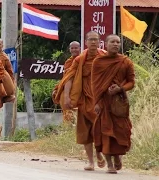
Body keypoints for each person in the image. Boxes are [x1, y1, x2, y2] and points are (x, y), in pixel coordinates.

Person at [55, 31, 106, 171]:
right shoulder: (79, 59)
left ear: (99, 41)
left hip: (99, 100)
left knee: (100, 129)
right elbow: (69, 78)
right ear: (86, 42)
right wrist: (66, 96)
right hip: (84, 99)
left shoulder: (104, 57)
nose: (93, 42)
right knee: (85, 132)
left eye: (96, 39)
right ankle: (90, 162)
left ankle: (99, 154)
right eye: (91, 40)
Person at [91, 34, 135, 174]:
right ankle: (109, 164)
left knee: (121, 131)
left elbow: (131, 82)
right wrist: (96, 102)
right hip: (103, 102)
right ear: (105, 44)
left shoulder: (126, 62)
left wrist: (120, 88)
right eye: (112, 42)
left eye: (117, 42)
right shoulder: (98, 62)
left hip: (119, 104)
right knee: (104, 132)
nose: (115, 44)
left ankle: (117, 156)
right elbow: (95, 84)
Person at [52, 41, 81, 124]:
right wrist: (58, 88)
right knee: (67, 111)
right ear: (69, 49)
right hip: (68, 88)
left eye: (76, 48)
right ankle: (68, 129)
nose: (74, 50)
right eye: (72, 48)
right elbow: (67, 77)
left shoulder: (83, 60)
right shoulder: (68, 62)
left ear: (80, 48)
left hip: (80, 88)